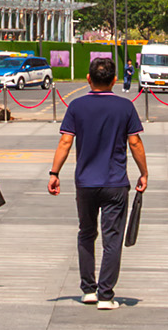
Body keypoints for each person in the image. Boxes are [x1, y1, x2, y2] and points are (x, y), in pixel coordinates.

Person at [48, 50, 148, 308]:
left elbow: (66, 141)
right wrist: (144, 172)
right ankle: (106, 294)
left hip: (85, 183)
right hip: (115, 183)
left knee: (86, 233)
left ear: (88, 79)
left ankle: (88, 289)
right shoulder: (125, 106)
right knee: (112, 237)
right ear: (114, 80)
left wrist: (54, 173)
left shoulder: (77, 106)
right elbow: (135, 142)